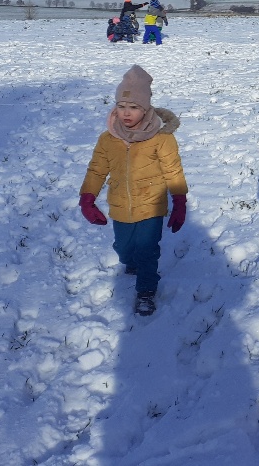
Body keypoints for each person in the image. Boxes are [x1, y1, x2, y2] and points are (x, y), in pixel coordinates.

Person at [79, 65, 188, 315]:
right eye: (121, 106)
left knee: (148, 250)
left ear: (146, 109)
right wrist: (87, 198)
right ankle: (131, 262)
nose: (126, 112)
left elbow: (173, 171)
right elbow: (96, 170)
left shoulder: (161, 138)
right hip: (120, 205)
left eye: (134, 107)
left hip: (151, 205)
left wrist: (179, 202)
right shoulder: (108, 139)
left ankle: (146, 291)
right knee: (124, 248)